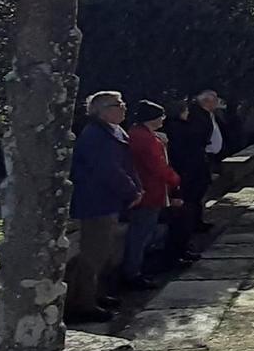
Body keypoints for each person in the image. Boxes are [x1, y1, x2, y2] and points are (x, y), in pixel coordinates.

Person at [68, 90, 140, 321]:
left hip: (108, 201)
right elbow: (108, 170)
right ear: (101, 111)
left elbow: (125, 164)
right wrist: (131, 191)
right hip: (96, 202)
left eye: (122, 103)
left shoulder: (113, 132)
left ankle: (97, 295)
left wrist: (135, 188)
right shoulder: (95, 135)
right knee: (93, 254)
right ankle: (83, 305)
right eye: (117, 104)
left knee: (104, 252)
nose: (123, 108)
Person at [124, 101, 180, 287]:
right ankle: (133, 273)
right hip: (149, 190)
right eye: (161, 115)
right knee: (141, 234)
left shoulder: (143, 134)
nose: (163, 119)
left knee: (146, 231)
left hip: (150, 190)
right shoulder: (144, 139)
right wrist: (174, 179)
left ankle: (138, 268)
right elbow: (157, 166)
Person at [166, 88, 227, 258]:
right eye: (214, 100)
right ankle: (186, 237)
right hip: (192, 167)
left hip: (200, 162)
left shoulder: (206, 115)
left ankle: (197, 224)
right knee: (189, 201)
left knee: (197, 197)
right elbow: (192, 141)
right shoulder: (191, 120)